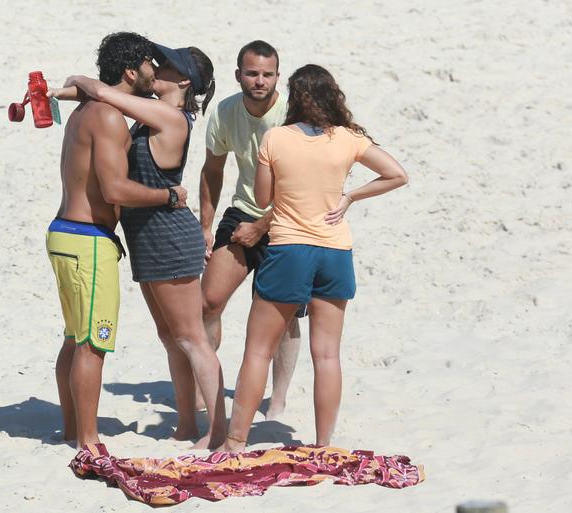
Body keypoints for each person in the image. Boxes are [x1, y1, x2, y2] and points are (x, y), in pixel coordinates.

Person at [219, 64, 409, 452]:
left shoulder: (276, 138)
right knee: (326, 355)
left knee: (257, 349)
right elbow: (397, 174)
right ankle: (323, 443)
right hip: (336, 251)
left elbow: (262, 199)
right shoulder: (349, 138)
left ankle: (235, 441)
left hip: (290, 248)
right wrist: (350, 196)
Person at [53, 43, 226, 449]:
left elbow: (109, 94)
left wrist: (79, 80)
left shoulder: (172, 117)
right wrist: (60, 94)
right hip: (146, 237)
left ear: (184, 81)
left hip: (168, 234)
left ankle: (219, 431)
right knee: (171, 337)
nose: (157, 68)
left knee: (192, 337)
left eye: (166, 65)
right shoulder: (150, 108)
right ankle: (186, 425)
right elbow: (113, 96)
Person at [199, 40, 301, 420]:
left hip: (289, 220)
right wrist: (205, 227)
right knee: (207, 302)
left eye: (268, 74)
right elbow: (212, 171)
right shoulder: (225, 111)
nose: (260, 81)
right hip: (242, 211)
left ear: (278, 76)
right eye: (253, 73)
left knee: (284, 315)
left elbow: (304, 187)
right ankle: (208, 391)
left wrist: (262, 226)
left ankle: (277, 400)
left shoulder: (292, 116)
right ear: (239, 74)